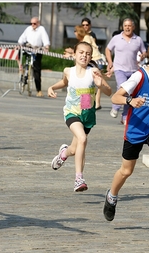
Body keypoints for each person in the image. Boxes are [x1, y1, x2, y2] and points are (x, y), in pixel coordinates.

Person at [103, 38, 149, 221]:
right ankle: (111, 196)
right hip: (136, 129)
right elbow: (115, 97)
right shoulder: (139, 76)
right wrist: (130, 101)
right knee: (126, 171)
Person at [47, 41, 112, 192]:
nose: (84, 56)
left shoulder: (93, 72)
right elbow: (64, 83)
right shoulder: (68, 71)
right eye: (81, 52)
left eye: (88, 54)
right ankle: (79, 179)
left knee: (76, 149)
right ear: (75, 54)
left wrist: (100, 84)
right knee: (82, 139)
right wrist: (51, 87)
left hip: (87, 114)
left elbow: (109, 92)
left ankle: (63, 154)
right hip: (71, 112)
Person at [105, 18, 147, 125]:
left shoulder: (138, 39)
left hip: (133, 70)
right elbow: (108, 49)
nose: (127, 27)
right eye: (125, 26)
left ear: (133, 27)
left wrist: (143, 56)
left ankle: (125, 116)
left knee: (129, 93)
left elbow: (144, 51)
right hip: (119, 69)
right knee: (122, 87)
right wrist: (110, 62)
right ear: (122, 27)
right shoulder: (116, 38)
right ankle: (115, 106)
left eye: (129, 25)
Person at [63, 25, 107, 110]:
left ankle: (95, 104)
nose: (74, 34)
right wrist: (72, 53)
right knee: (88, 84)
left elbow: (86, 52)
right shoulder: (84, 39)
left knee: (96, 83)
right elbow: (81, 53)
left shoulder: (86, 38)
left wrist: (72, 54)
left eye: (75, 32)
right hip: (92, 60)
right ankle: (86, 106)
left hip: (96, 60)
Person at [18, 17, 50, 97]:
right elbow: (22, 38)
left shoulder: (41, 29)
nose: (33, 25)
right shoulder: (28, 29)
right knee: (18, 52)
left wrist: (46, 46)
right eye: (31, 23)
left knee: (37, 70)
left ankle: (38, 90)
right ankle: (21, 67)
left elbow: (45, 39)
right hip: (28, 48)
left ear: (38, 23)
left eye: (34, 23)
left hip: (37, 50)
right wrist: (19, 44)